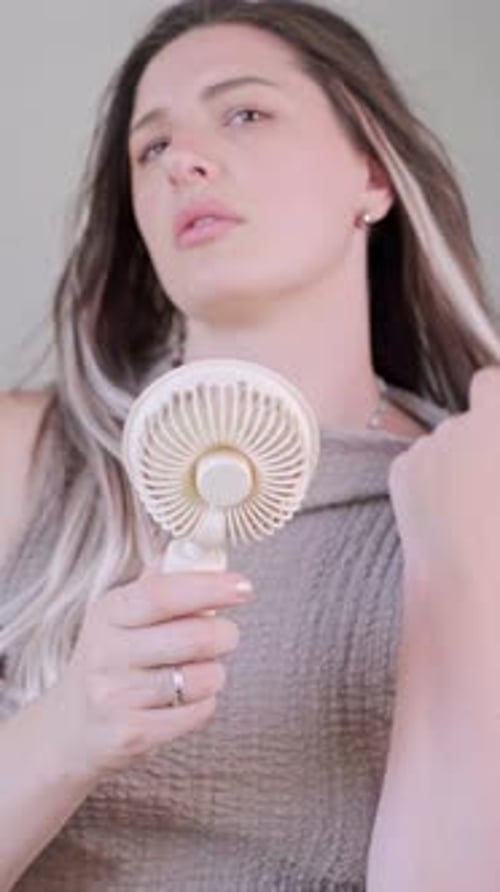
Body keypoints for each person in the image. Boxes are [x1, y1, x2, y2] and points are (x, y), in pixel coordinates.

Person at [0, 0, 499, 888]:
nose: (183, 160)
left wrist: (463, 578)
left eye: (245, 113)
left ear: (374, 177)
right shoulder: (29, 459)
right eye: (150, 149)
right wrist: (72, 727)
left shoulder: (477, 488)